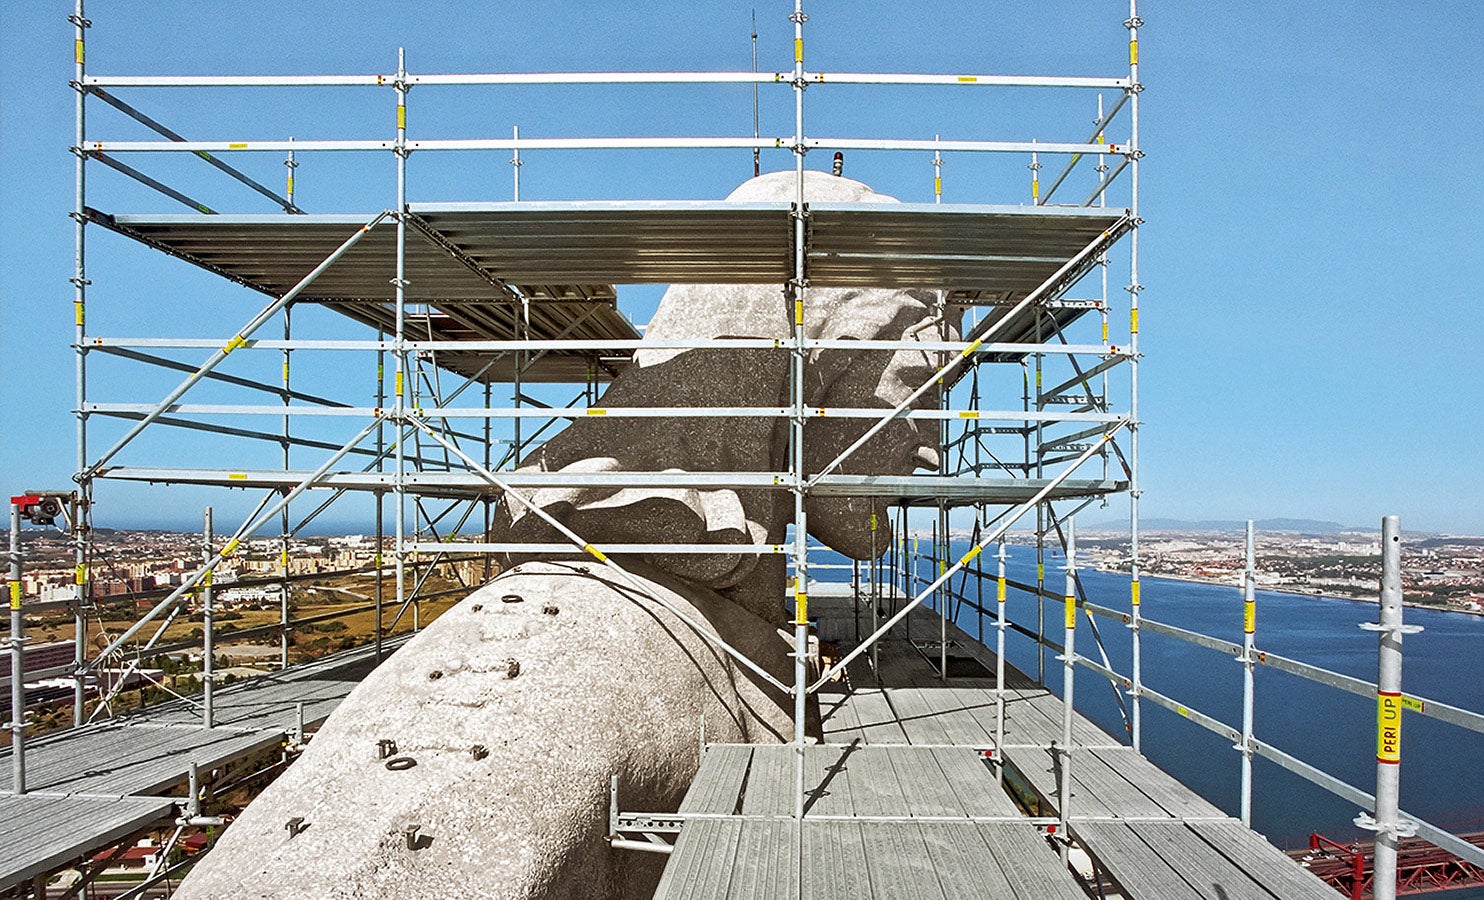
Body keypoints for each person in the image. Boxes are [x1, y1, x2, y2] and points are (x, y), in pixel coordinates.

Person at [177, 170, 954, 900]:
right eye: (926, 374)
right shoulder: (596, 666)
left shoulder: (654, 604)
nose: (935, 444)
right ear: (827, 351)